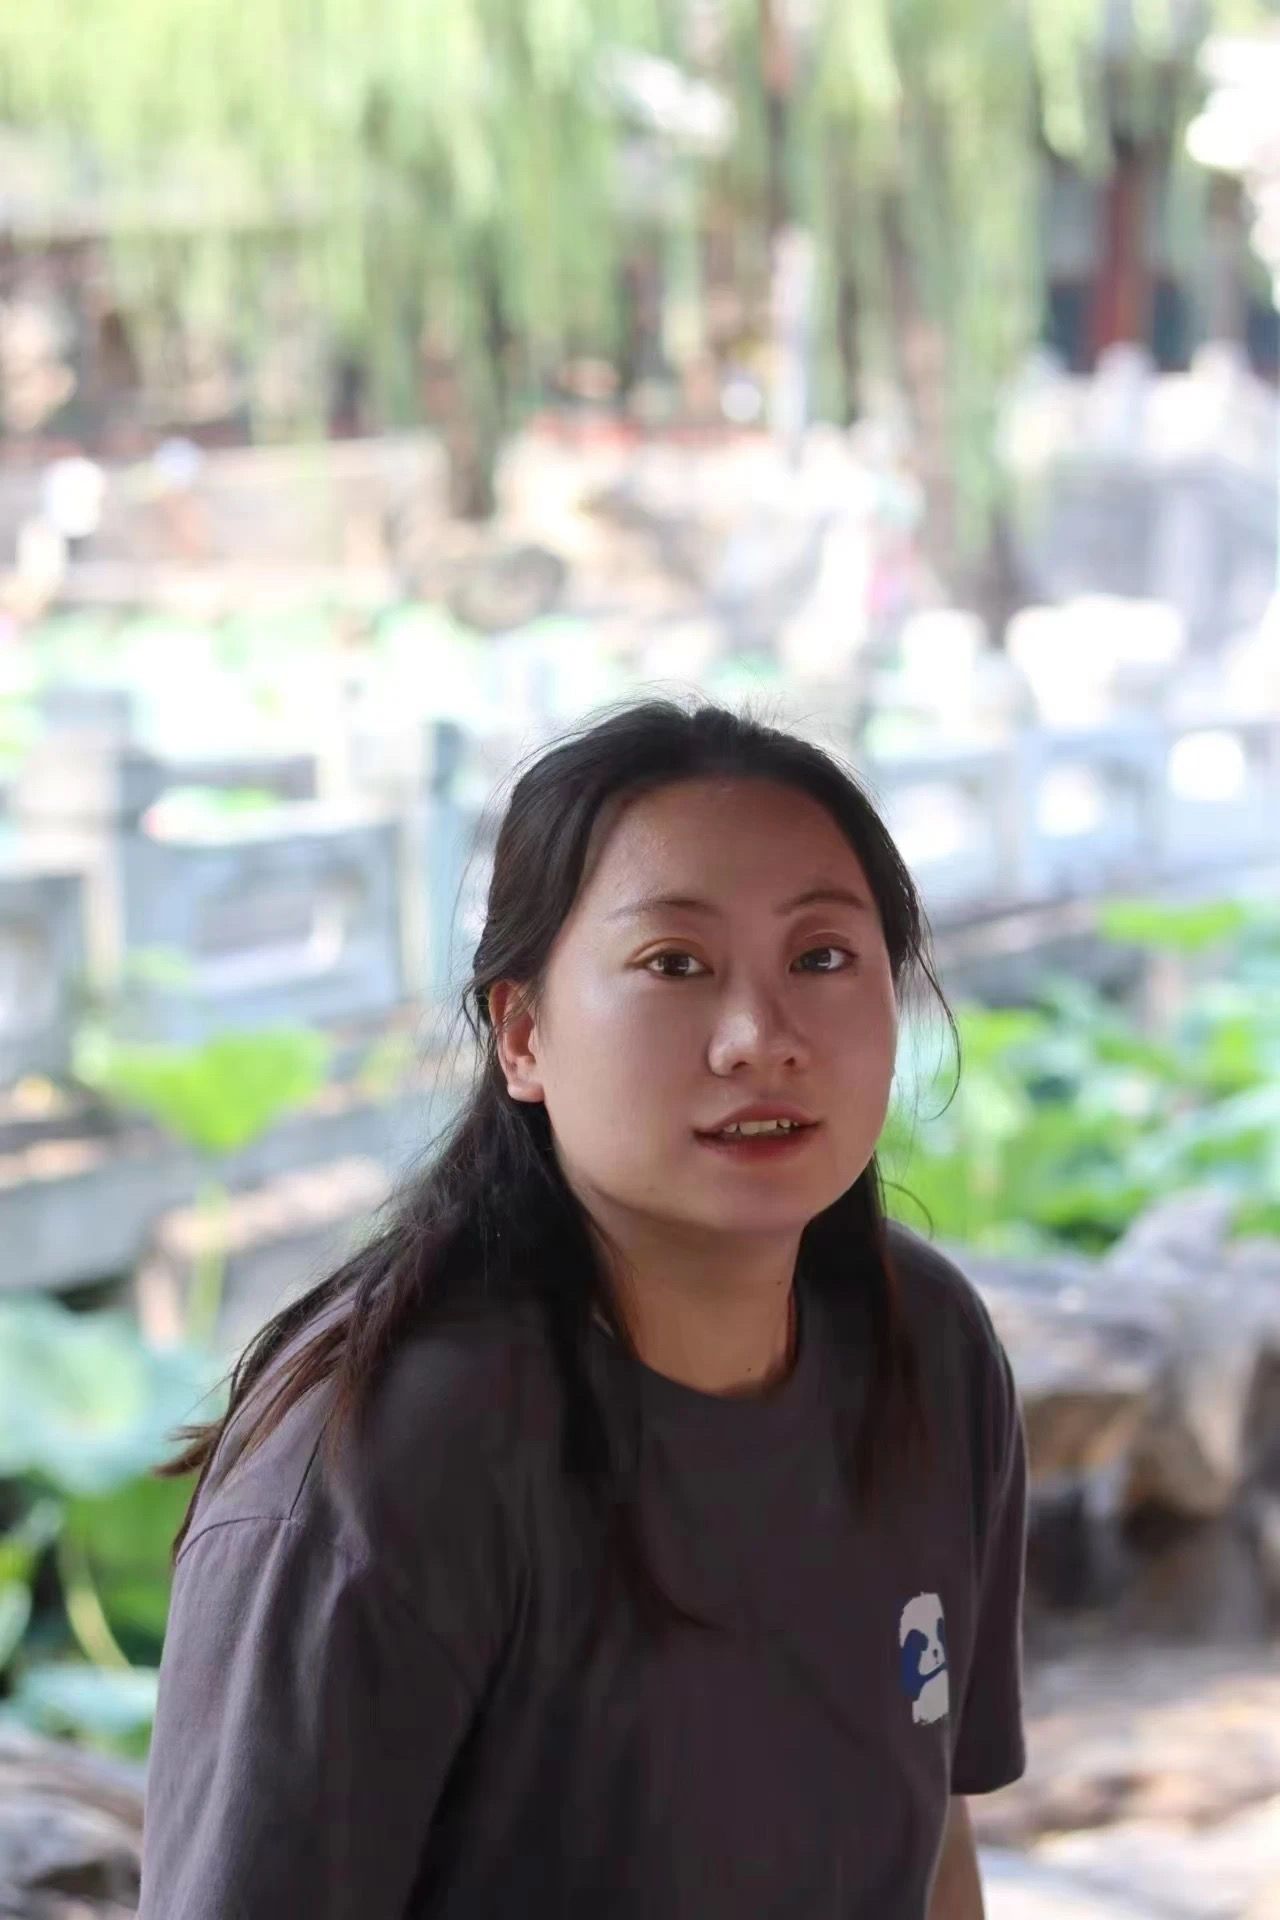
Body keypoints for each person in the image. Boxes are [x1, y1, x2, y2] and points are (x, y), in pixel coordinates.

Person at [138, 697, 1028, 1920]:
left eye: (821, 958)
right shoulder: (386, 1464)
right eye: (674, 964)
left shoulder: (921, 1343)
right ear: (521, 1036)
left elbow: (933, 1845)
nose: (756, 1038)